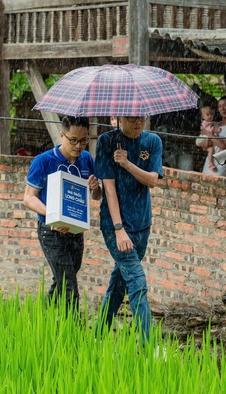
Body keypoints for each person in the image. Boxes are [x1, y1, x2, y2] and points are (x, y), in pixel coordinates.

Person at [95, 115, 163, 341]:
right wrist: (118, 228)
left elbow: (152, 180)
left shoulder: (152, 142)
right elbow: (109, 190)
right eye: (132, 118)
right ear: (119, 117)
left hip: (142, 223)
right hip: (114, 225)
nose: (138, 122)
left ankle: (97, 335)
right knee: (137, 282)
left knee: (119, 285)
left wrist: (126, 163)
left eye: (141, 117)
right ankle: (149, 346)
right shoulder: (106, 142)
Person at [23, 115, 102, 311]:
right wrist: (53, 216)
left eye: (84, 140)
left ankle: (42, 319)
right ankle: (75, 334)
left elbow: (96, 196)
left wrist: (95, 187)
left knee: (63, 280)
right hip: (51, 232)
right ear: (61, 135)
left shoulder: (86, 159)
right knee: (69, 287)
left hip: (76, 232)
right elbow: (29, 198)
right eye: (73, 140)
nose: (79, 145)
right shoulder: (44, 161)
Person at [198, 96, 226, 177]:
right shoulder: (215, 124)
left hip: (220, 169)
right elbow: (203, 145)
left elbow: (223, 145)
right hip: (208, 166)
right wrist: (205, 142)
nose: (222, 109)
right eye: (220, 106)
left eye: (225, 105)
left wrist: (208, 134)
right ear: (218, 110)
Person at [195, 102, 221, 172]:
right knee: (211, 149)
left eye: (212, 114)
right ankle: (210, 163)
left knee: (211, 150)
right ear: (203, 117)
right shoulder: (205, 123)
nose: (210, 116)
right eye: (207, 114)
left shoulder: (211, 122)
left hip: (207, 138)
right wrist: (216, 130)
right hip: (202, 138)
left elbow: (215, 124)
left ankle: (210, 163)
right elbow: (209, 130)